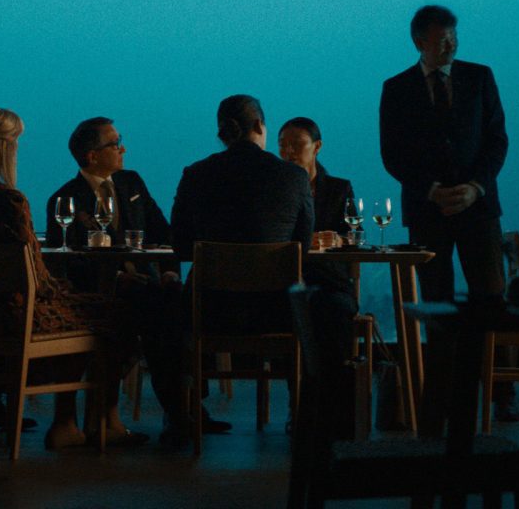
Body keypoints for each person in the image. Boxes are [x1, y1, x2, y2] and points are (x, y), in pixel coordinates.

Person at [0, 106, 150, 449]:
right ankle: (86, 420)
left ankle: (77, 422)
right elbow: (35, 276)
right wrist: (61, 290)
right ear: (7, 148)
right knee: (112, 314)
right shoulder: (10, 201)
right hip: (17, 316)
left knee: (91, 308)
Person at [169, 95, 344, 442]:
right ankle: (312, 416)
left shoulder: (196, 174)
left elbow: (180, 246)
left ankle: (183, 415)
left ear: (222, 132)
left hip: (210, 313)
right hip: (277, 313)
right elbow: (302, 246)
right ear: (260, 127)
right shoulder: (293, 178)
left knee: (163, 304)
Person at [377, 4, 514, 420]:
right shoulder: (396, 88)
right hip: (428, 210)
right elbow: (392, 154)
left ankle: (500, 392)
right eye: (442, 39)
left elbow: (497, 141)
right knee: (436, 303)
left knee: (490, 297)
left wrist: (475, 188)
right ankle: (441, 395)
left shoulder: (480, 77)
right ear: (420, 41)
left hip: (479, 208)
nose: (451, 44)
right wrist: (432, 191)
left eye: (454, 36)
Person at [42, 116, 172, 250]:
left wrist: (169, 270)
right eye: (115, 144)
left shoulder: (132, 182)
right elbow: (59, 256)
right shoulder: (65, 199)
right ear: (93, 157)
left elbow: (162, 232)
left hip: (142, 269)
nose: (123, 150)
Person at [277, 116, 357, 241]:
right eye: (283, 145)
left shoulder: (338, 189)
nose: (289, 150)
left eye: (297, 144)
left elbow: (355, 233)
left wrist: (338, 240)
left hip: (326, 259)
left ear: (317, 146)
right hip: (286, 259)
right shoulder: (273, 189)